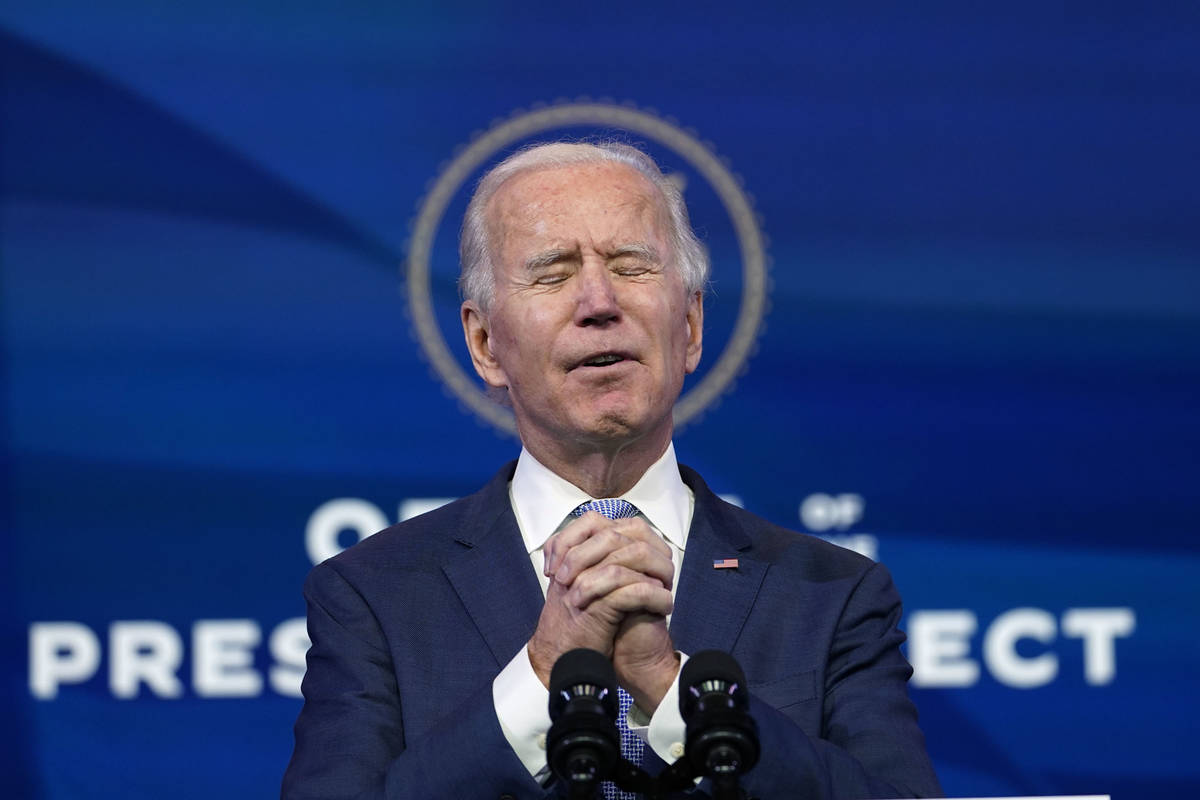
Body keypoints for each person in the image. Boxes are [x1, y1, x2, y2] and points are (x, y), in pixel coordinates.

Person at [282, 141, 942, 799]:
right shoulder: (373, 597)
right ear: (485, 344)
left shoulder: (833, 595)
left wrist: (670, 686)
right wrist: (543, 674)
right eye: (552, 273)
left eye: (631, 267)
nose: (599, 302)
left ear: (689, 325)